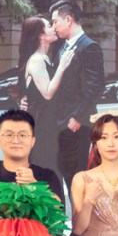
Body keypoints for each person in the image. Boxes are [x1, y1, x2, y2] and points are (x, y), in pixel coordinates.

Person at [49, 0, 105, 196]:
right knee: (64, 174)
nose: (53, 27)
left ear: (69, 20)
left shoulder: (89, 47)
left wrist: (77, 118)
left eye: (55, 21)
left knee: (76, 177)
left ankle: (80, 217)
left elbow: (96, 87)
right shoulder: (63, 46)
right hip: (61, 123)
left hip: (76, 125)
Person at [18, 15, 75, 180]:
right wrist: (62, 67)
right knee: (47, 171)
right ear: (41, 35)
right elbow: (48, 93)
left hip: (48, 125)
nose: (54, 28)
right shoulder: (37, 60)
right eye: (49, 26)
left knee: (52, 171)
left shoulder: (43, 58)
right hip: (42, 127)